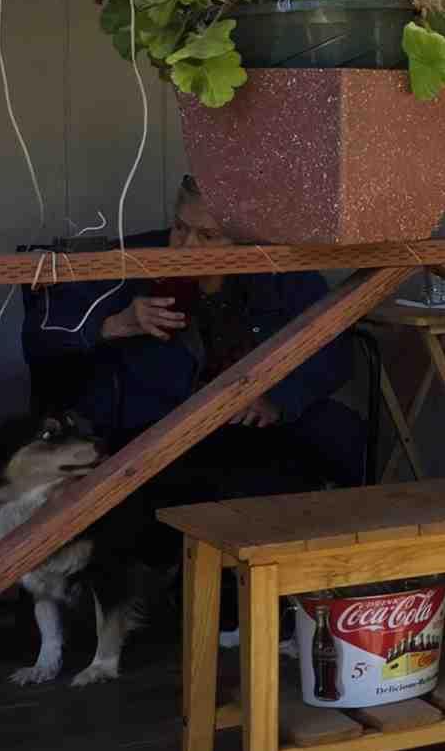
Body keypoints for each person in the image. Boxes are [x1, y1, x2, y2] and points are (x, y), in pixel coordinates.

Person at [36, 177, 365, 511]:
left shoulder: (276, 268)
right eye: (180, 228)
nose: (186, 246)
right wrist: (117, 324)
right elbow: (42, 335)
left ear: (246, 242)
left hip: (249, 425)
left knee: (341, 431)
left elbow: (333, 348)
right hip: (159, 428)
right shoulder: (133, 259)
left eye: (208, 236)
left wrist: (278, 399)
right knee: (233, 486)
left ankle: (355, 535)